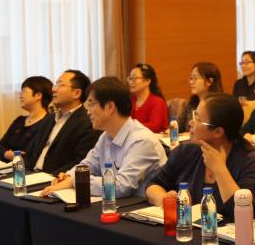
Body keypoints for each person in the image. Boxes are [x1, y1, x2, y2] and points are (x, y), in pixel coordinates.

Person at [39, 77, 167, 199]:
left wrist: (77, 180)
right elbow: (88, 165)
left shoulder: (141, 140)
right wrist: (68, 176)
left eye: (91, 104)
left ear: (110, 107)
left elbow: (121, 186)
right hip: (118, 204)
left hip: (142, 208)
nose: (88, 111)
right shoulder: (106, 136)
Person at [146, 93, 255, 218]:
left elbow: (246, 212)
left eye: (197, 119)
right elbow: (153, 185)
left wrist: (220, 169)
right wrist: (164, 199)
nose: (191, 122)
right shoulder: (186, 151)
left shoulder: (251, 161)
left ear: (218, 132)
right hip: (187, 227)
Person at [29, 70, 101, 174]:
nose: (53, 89)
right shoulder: (49, 119)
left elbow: (80, 163)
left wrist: (50, 177)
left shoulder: (87, 123)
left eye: (60, 85)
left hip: (56, 178)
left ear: (76, 93)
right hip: (32, 175)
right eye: (55, 84)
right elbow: (32, 152)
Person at [0, 75, 52, 165]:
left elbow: (32, 156)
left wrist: (13, 156)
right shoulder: (19, 121)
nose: (20, 95)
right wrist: (9, 155)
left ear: (38, 95)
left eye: (24, 91)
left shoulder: (49, 123)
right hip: (12, 168)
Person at [176, 62, 224, 132]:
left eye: (195, 78)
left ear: (209, 81)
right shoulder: (191, 104)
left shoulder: (219, 106)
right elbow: (178, 127)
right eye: (191, 78)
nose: (191, 82)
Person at [127, 63, 168, 133]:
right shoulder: (131, 100)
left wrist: (129, 127)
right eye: (130, 78)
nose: (131, 82)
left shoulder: (157, 102)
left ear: (147, 81)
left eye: (135, 78)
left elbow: (154, 126)